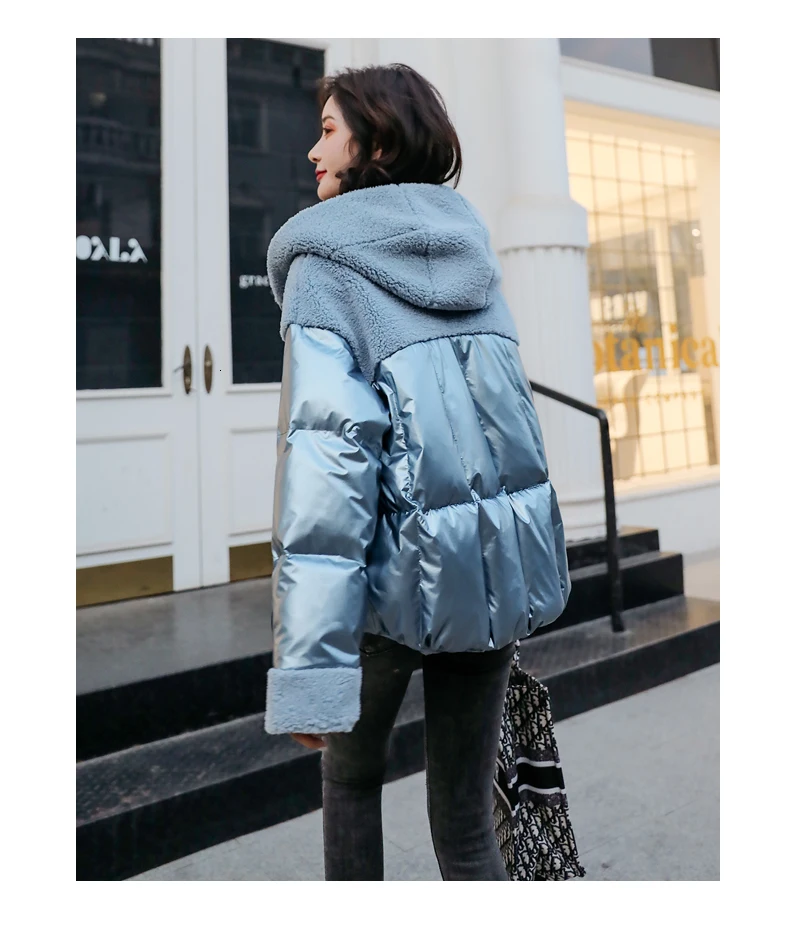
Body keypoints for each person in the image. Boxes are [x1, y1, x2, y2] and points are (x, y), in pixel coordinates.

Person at [264, 63, 570, 881]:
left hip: (385, 591)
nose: (312, 151)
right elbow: (507, 431)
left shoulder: (325, 270)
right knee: (467, 825)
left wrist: (310, 668)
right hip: (485, 583)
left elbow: (325, 475)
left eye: (328, 130)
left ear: (377, 142)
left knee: (350, 785)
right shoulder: (472, 254)